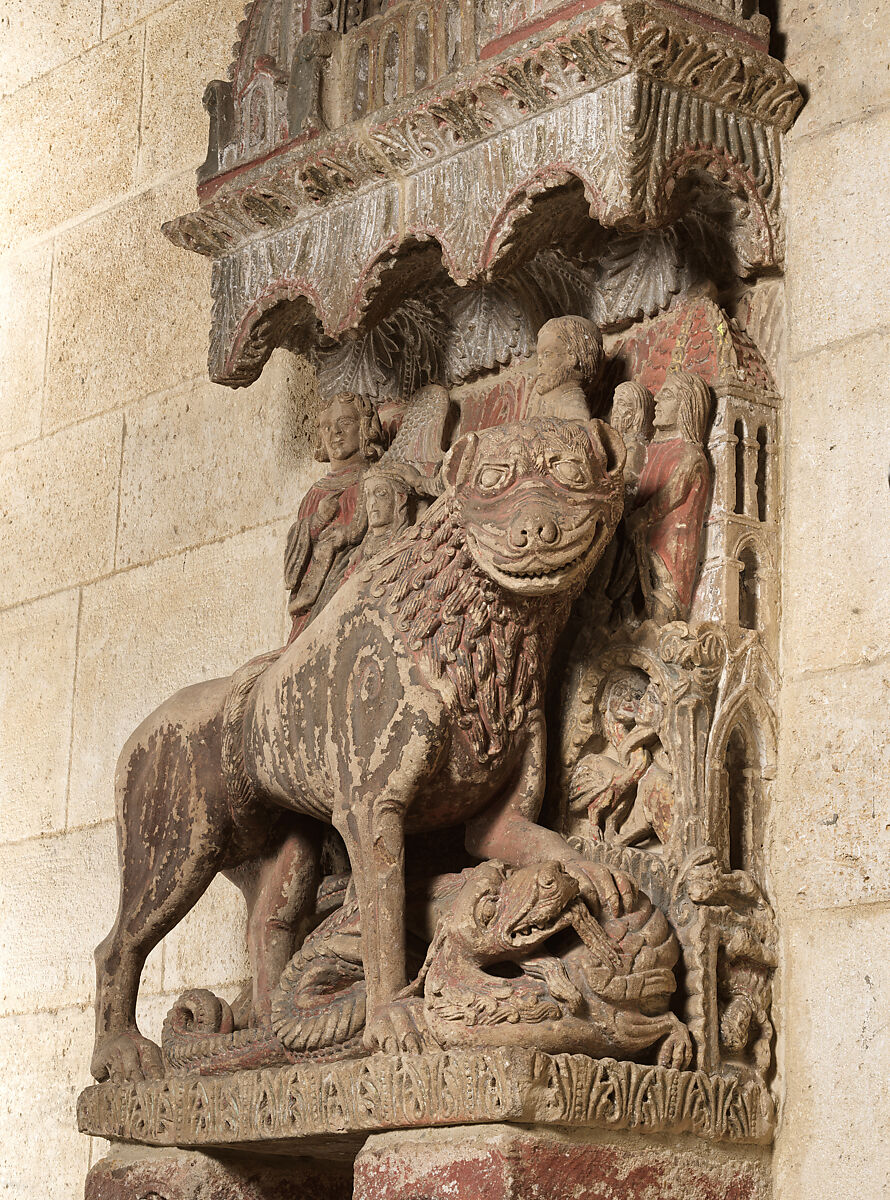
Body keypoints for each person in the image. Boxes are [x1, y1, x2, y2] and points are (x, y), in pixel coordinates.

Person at [284, 392, 384, 642]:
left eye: (345, 423)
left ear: (364, 428)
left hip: (356, 581)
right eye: (326, 427)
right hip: (317, 593)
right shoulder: (316, 493)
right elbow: (294, 561)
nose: (335, 433)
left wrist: (350, 535)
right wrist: (317, 521)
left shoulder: (373, 479)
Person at [626, 371, 713, 625]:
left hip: (668, 551)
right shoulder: (653, 451)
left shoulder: (691, 455)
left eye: (668, 395)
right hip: (642, 541)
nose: (658, 400)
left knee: (664, 611)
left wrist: (640, 517)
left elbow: (671, 495)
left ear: (686, 406)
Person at [527, 315, 605, 421]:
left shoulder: (573, 404)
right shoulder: (548, 404)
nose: (540, 363)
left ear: (572, 357)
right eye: (539, 357)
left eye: (547, 354)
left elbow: (577, 429)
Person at [609, 380, 654, 497]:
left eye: (622, 404)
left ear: (638, 413)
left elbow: (627, 478)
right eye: (615, 403)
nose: (615, 410)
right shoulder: (617, 441)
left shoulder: (634, 446)